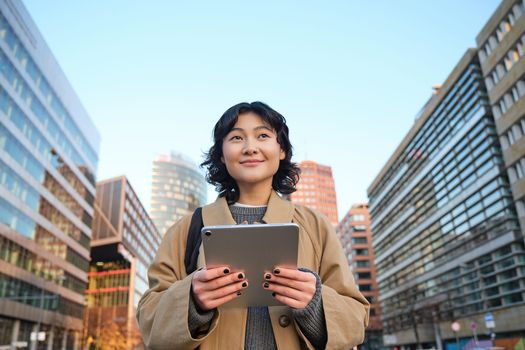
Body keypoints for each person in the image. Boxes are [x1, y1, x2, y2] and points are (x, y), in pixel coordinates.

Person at [137, 101, 369, 349]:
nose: (250, 147)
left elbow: (356, 320)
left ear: (281, 150)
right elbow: (149, 322)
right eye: (236, 138)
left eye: (263, 135)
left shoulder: (315, 226)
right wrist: (192, 301)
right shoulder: (187, 229)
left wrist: (315, 303)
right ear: (221, 155)